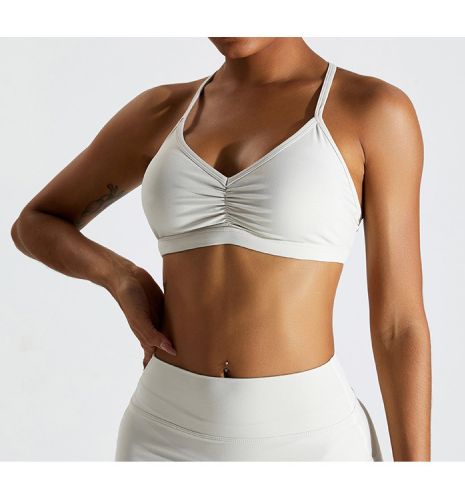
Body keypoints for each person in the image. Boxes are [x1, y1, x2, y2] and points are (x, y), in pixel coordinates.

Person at [11, 37, 431, 461]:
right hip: (160, 433)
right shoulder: (162, 111)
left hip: (311, 439)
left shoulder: (373, 111)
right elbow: (35, 223)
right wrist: (121, 277)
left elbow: (398, 324)